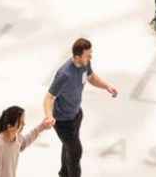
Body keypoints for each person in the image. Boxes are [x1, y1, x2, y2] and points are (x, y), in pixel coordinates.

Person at [43, 38, 118, 177]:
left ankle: (64, 173)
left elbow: (91, 77)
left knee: (69, 148)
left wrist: (107, 86)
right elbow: (49, 98)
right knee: (76, 151)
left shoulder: (85, 63)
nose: (91, 57)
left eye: (91, 54)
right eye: (88, 55)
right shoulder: (64, 74)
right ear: (77, 56)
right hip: (62, 121)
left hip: (76, 114)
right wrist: (49, 116)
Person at [0, 106, 51, 177]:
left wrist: (42, 126)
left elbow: (24, 142)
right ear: (10, 126)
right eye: (21, 122)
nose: (24, 124)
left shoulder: (16, 138)